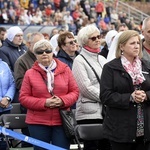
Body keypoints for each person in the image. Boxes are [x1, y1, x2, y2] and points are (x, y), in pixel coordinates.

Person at [19, 39, 79, 150]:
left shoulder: (65, 70)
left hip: (62, 121)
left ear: (53, 52)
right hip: (37, 122)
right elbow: (23, 98)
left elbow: (75, 92)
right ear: (35, 55)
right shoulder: (30, 73)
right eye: (40, 52)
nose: (44, 53)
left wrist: (62, 100)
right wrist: (44, 103)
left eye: (47, 50)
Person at [100, 30, 150, 150]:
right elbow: (105, 96)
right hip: (121, 128)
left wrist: (146, 95)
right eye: (132, 43)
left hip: (146, 128)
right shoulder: (110, 67)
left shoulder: (147, 65)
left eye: (138, 42)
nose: (137, 46)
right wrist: (130, 97)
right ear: (121, 46)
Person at [72, 24, 110, 150]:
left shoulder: (102, 59)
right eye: (93, 38)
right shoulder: (79, 60)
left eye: (99, 37)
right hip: (89, 113)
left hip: (106, 112)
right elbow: (85, 88)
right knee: (92, 147)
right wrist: (107, 97)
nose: (98, 40)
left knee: (107, 146)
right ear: (84, 41)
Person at [14, 32, 44, 148]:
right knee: (31, 142)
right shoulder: (22, 61)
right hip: (30, 107)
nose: (40, 48)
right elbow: (19, 83)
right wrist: (40, 87)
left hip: (46, 106)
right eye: (37, 44)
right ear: (28, 44)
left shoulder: (47, 59)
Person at [0, 26, 27, 103]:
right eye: (17, 36)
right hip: (16, 87)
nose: (20, 38)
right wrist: (23, 80)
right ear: (11, 36)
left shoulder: (24, 49)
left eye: (21, 35)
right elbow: (8, 71)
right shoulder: (3, 51)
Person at [0, 60, 15, 150]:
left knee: (4, 142)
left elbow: (12, 83)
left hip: (5, 109)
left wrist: (8, 97)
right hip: (2, 103)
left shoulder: (4, 64)